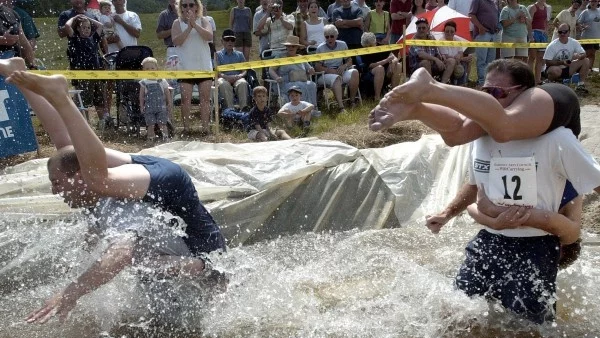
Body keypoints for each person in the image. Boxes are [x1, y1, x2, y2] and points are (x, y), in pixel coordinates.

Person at [0, 57, 225, 323]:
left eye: (57, 184)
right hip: (157, 180)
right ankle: (19, 75)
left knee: (97, 181)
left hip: (188, 227)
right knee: (67, 154)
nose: (53, 192)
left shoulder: (116, 205)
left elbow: (121, 254)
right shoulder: (94, 193)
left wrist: (70, 292)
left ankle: (60, 95)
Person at [171, 0, 213, 135]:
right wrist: (189, 27)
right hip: (186, 67)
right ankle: (186, 128)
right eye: (184, 5)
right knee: (185, 99)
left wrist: (195, 24)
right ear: (181, 7)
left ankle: (205, 128)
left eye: (191, 5)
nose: (188, 8)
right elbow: (177, 41)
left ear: (197, 6)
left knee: (205, 99)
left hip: (203, 65)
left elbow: (209, 36)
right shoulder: (177, 23)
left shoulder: (204, 20)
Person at [64, 15, 108, 125]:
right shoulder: (74, 39)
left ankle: (102, 122)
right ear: (78, 29)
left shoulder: (93, 38)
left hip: (96, 74)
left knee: (99, 100)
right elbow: (67, 26)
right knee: (82, 101)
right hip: (82, 75)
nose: (86, 30)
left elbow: (101, 26)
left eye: (88, 28)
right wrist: (75, 18)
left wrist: (87, 18)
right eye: (83, 27)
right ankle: (83, 123)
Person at [315, 24, 360, 111]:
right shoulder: (320, 48)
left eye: (332, 36)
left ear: (336, 35)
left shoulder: (342, 45)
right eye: (326, 37)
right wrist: (329, 70)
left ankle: (352, 101)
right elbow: (317, 67)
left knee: (354, 72)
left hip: (340, 70)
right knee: (336, 78)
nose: (329, 39)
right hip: (325, 74)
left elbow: (349, 60)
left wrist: (344, 65)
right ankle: (341, 107)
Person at [269, 35, 319, 109]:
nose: (291, 48)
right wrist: (276, 78)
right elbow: (271, 69)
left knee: (312, 85)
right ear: (286, 47)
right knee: (299, 86)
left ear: (297, 47)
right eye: (289, 46)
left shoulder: (301, 57)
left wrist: (311, 70)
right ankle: (298, 109)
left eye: (293, 46)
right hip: (285, 82)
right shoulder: (280, 57)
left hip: (302, 80)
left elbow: (309, 69)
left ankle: (311, 108)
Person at [408, 17, 458, 84]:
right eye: (419, 28)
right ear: (416, 29)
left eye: (423, 28)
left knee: (451, 61)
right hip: (418, 68)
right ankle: (431, 86)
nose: (421, 30)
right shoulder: (414, 40)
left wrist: (440, 58)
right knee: (425, 62)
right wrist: (435, 59)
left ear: (428, 28)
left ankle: (442, 85)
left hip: (432, 65)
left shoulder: (431, 37)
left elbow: (436, 52)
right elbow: (421, 54)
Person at [543, 23, 590, 93]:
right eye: (560, 32)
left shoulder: (574, 42)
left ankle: (580, 85)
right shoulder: (552, 45)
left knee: (586, 60)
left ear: (569, 32)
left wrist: (580, 56)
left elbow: (584, 53)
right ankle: (550, 82)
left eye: (565, 32)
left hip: (569, 67)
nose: (562, 34)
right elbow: (547, 62)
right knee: (555, 70)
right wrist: (562, 62)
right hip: (556, 68)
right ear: (557, 33)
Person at [358, 32, 402, 99]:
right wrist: (386, 60)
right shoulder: (363, 50)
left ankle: (394, 95)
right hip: (369, 74)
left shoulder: (382, 47)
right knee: (379, 68)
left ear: (375, 43)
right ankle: (377, 97)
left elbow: (394, 57)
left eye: (370, 46)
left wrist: (392, 63)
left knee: (398, 65)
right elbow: (371, 65)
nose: (368, 48)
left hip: (387, 73)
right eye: (366, 46)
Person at [139, 57, 172, 143]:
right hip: (149, 108)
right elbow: (141, 96)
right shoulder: (144, 82)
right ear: (143, 70)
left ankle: (166, 138)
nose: (150, 70)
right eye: (147, 68)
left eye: (152, 68)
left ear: (157, 69)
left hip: (161, 107)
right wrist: (141, 106)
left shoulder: (161, 80)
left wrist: (169, 103)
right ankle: (151, 138)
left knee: (163, 124)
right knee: (150, 124)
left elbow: (167, 92)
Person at [215, 29, 249, 109]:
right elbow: (217, 72)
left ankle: (243, 109)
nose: (230, 42)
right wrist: (226, 77)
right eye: (227, 39)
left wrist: (240, 76)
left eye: (232, 40)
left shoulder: (240, 55)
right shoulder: (218, 55)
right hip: (223, 78)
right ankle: (230, 111)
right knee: (223, 84)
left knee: (243, 83)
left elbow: (245, 70)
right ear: (222, 41)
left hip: (238, 77)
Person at [469, 0, 499, 87]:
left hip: (493, 33)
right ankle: (482, 82)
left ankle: (489, 82)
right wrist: (480, 27)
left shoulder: (493, 2)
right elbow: (471, 15)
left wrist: (496, 27)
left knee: (491, 61)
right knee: (482, 60)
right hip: (482, 34)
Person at [0, 0, 34, 65]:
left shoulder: (12, 13)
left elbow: (24, 43)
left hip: (14, 70)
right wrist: (2, 40)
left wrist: (33, 66)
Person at [438, 21, 473, 85]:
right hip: (446, 62)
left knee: (469, 59)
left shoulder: (457, 40)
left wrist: (460, 57)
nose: (449, 33)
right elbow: (446, 57)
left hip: (457, 60)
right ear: (444, 31)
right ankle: (449, 82)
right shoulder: (441, 41)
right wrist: (461, 58)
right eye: (447, 31)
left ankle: (464, 82)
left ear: (455, 32)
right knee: (453, 61)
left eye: (452, 31)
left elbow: (460, 53)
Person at [528, 0, 550, 85]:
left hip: (542, 34)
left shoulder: (546, 8)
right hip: (534, 32)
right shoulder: (533, 7)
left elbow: (546, 21)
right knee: (532, 57)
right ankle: (529, 78)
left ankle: (538, 79)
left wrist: (546, 31)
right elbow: (529, 22)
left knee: (540, 58)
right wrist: (530, 36)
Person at [577, 0, 600, 73]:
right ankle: (583, 69)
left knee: (593, 53)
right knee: (586, 53)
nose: (593, 3)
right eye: (592, 1)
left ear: (598, 2)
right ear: (589, 2)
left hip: (597, 37)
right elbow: (578, 23)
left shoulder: (599, 11)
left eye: (595, 1)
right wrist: (583, 26)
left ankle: (590, 69)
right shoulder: (585, 12)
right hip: (586, 37)